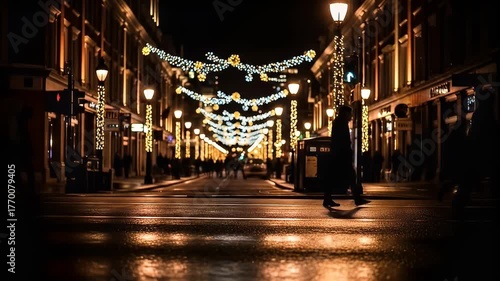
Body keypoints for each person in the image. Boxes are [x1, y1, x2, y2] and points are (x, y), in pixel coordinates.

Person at [324, 105, 370, 208]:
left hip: (338, 155)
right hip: (341, 156)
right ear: (345, 113)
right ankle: (357, 198)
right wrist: (347, 153)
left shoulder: (339, 122)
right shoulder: (341, 123)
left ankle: (327, 199)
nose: (351, 116)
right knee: (350, 176)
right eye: (350, 113)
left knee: (333, 177)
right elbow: (342, 141)